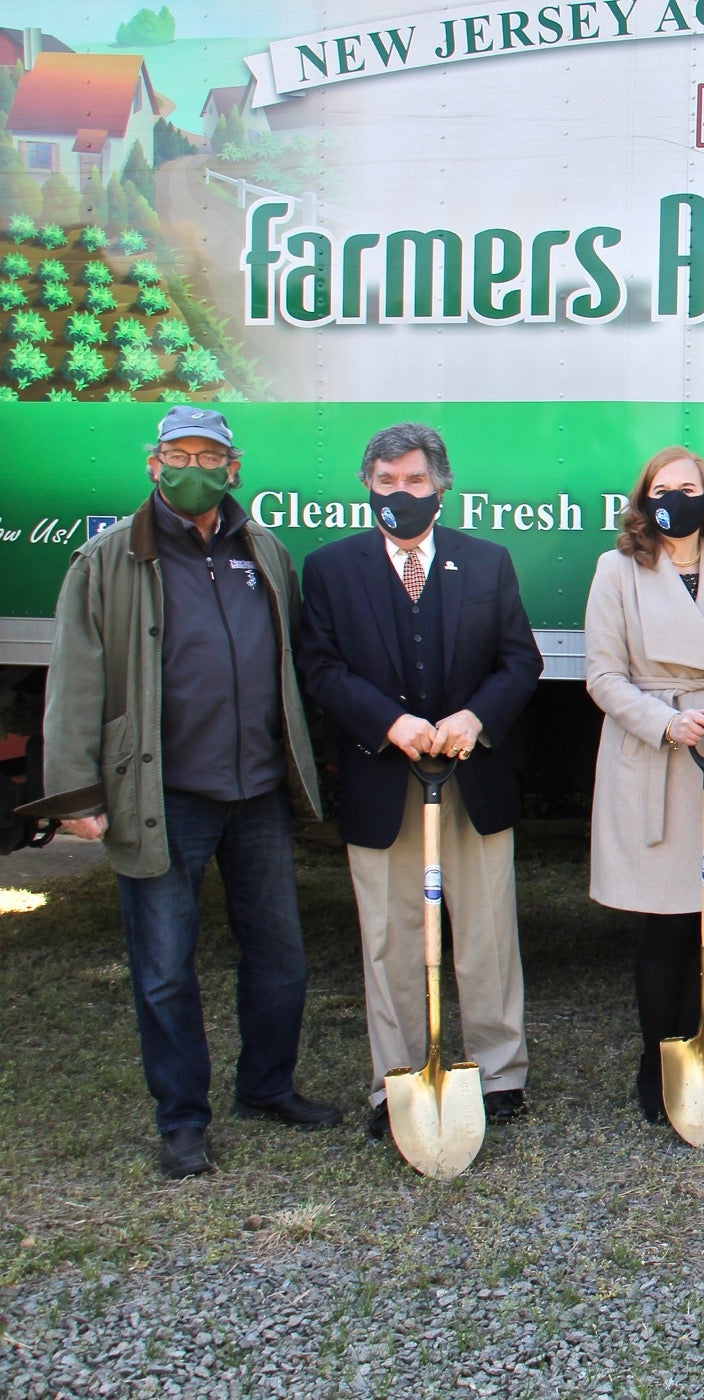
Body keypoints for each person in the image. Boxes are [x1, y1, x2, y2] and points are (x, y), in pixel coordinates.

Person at [24, 407, 340, 1178]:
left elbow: (291, 667)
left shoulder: (262, 551)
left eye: (209, 453)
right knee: (165, 966)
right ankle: (182, 1120)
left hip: (256, 792)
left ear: (234, 467)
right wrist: (76, 791)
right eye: (178, 452)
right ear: (152, 462)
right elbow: (75, 682)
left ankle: (266, 1087)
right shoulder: (108, 560)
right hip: (162, 796)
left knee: (281, 958)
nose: (192, 465)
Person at [297, 422, 543, 1142]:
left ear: (441, 486)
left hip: (471, 779)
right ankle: (396, 1079)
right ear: (366, 486)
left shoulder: (487, 562)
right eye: (384, 482)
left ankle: (500, 1073)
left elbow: (518, 661)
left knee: (486, 931)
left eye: (412, 482)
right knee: (391, 937)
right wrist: (387, 724)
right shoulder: (332, 570)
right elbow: (320, 667)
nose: (398, 494)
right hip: (384, 780)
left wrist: (474, 718)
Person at [583, 447, 704, 1125]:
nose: (676, 500)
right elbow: (602, 676)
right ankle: (655, 1059)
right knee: (661, 926)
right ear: (644, 498)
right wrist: (666, 722)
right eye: (663, 489)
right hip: (657, 759)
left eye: (688, 489)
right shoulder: (617, 569)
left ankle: (699, 1043)